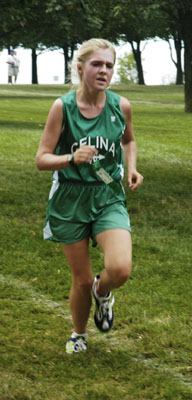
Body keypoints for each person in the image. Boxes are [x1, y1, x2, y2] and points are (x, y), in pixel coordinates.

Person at [36, 38, 143, 354]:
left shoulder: (121, 106)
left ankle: (104, 291)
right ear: (80, 68)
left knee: (120, 269)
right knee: (80, 280)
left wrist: (131, 168)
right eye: (97, 64)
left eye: (109, 65)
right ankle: (79, 334)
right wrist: (71, 158)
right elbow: (41, 158)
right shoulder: (62, 108)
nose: (104, 70)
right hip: (70, 197)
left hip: (108, 193)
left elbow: (129, 140)